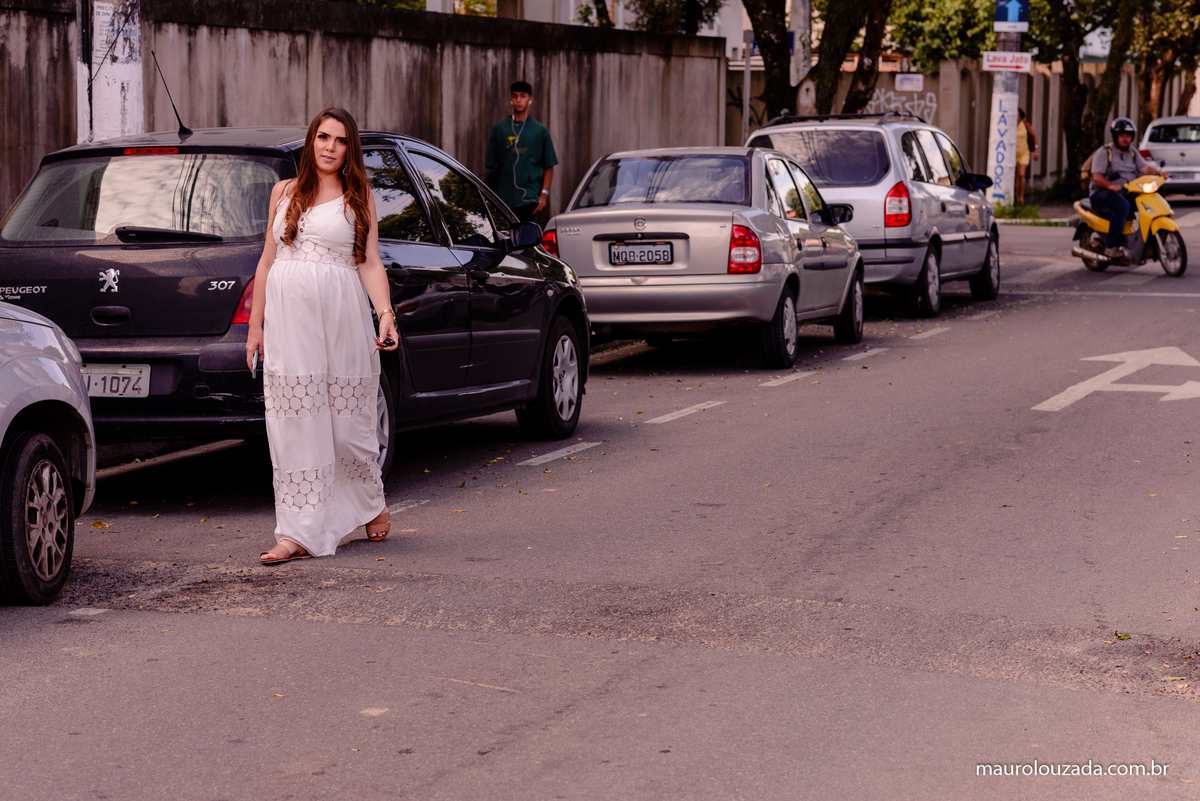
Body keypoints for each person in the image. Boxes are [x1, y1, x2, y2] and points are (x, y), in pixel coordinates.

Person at [246, 108, 400, 565]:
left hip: (342, 319)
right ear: (311, 142)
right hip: (290, 326)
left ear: (350, 149)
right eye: (323, 137)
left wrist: (385, 314)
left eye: (340, 140)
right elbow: (267, 262)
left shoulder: (359, 196)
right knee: (294, 423)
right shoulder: (283, 192)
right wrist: (256, 325)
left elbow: (369, 262)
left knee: (347, 424)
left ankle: (370, 502)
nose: (330, 146)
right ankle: (296, 530)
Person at [1088, 117, 1167, 260]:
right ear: (1115, 136)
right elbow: (1097, 177)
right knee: (1122, 205)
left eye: (1128, 136)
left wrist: (1160, 174)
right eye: (1122, 135)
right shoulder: (1104, 152)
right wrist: (1111, 185)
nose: (1125, 139)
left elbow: (1145, 168)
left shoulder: (1133, 153)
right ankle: (1111, 247)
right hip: (1102, 193)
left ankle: (1142, 242)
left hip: (1125, 192)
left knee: (1148, 200)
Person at [485, 80, 558, 222]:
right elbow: (491, 164)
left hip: (529, 199)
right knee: (504, 241)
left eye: (523, 96)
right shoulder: (500, 129)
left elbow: (549, 166)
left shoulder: (540, 131)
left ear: (530, 99)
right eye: (515, 96)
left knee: (524, 241)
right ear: (511, 99)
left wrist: (543, 195)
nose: (519, 100)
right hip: (503, 199)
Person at [1014, 108, 1038, 205]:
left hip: (1024, 152)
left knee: (1021, 174)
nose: (1017, 118)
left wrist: (1036, 150)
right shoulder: (1011, 126)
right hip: (1014, 154)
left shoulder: (1025, 125)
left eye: (1018, 115)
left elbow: (1034, 137)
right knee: (1016, 177)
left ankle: (1022, 197)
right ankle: (1016, 197)